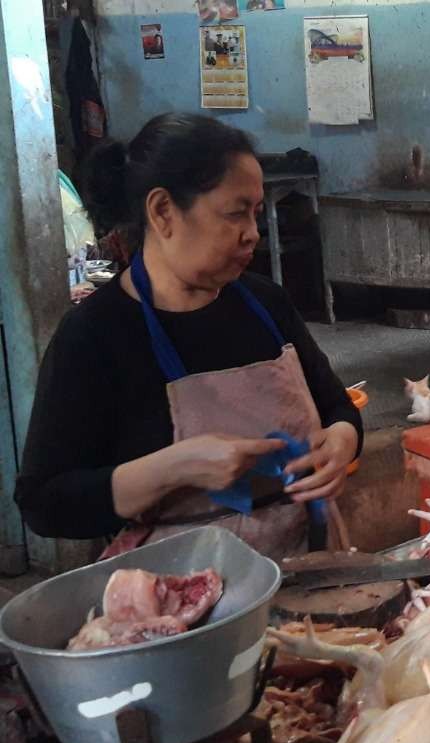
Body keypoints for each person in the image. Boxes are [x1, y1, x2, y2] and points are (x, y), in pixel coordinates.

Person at [16, 113, 362, 561]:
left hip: (307, 570)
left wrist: (341, 440)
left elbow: (336, 406)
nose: (253, 234)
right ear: (163, 212)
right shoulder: (96, 335)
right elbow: (45, 504)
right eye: (235, 213)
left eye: (256, 213)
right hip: (180, 600)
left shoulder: (267, 305)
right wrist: (174, 467)